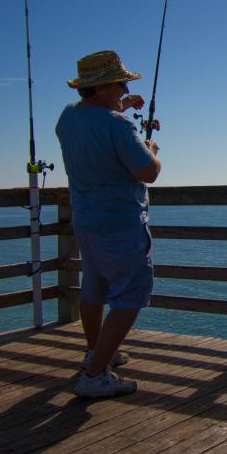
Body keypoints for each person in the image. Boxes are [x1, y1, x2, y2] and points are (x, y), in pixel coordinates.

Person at [55, 49, 161, 399]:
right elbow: (147, 172)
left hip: (86, 221)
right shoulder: (118, 125)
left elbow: (96, 127)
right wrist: (152, 147)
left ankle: (96, 352)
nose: (121, 90)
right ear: (100, 87)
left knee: (94, 289)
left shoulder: (67, 119)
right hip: (120, 222)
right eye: (118, 85)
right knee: (132, 294)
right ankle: (95, 373)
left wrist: (123, 106)